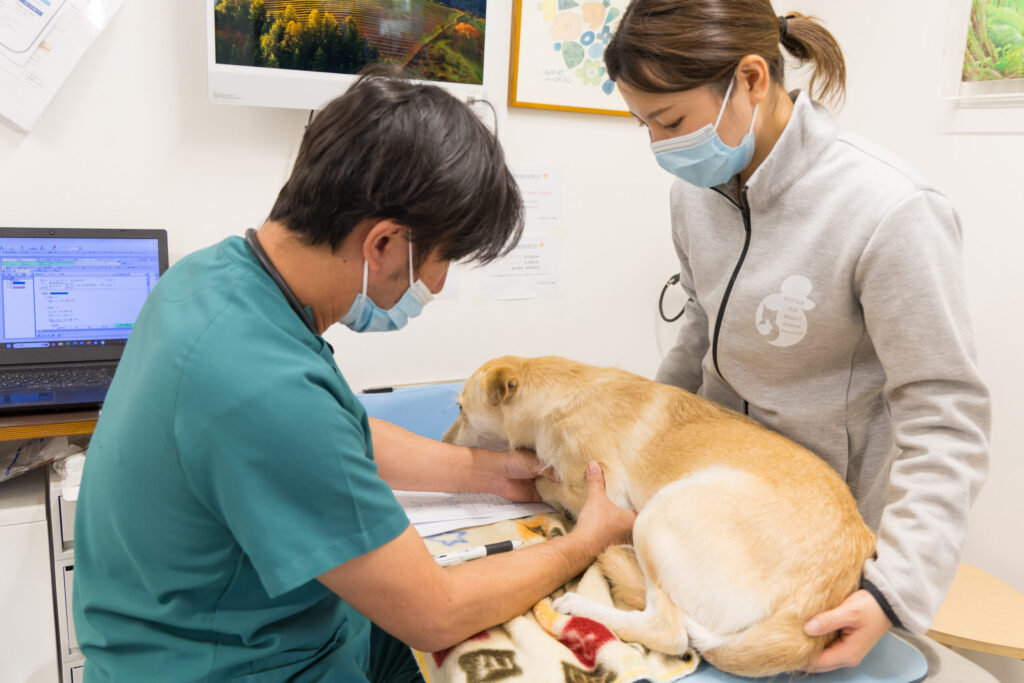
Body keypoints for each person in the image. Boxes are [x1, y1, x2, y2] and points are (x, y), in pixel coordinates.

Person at [72, 71, 636, 682]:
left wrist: (487, 472)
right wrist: (585, 541)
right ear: (384, 243)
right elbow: (434, 613)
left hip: (197, 632)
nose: (439, 283)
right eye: (445, 258)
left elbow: (333, 438)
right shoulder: (264, 387)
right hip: (236, 666)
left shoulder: (210, 279)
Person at [603, 0, 990, 673]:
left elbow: (945, 416)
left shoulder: (890, 209)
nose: (660, 147)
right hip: (714, 508)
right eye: (645, 126)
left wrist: (895, 589)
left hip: (816, 542)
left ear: (751, 78)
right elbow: (698, 333)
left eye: (670, 122)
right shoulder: (693, 197)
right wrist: (633, 455)